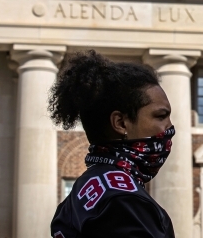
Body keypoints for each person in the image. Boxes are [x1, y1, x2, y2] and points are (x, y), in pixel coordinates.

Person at [49, 50, 176, 238]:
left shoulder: (83, 190)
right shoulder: (125, 200)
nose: (169, 126)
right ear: (121, 123)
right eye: (160, 116)